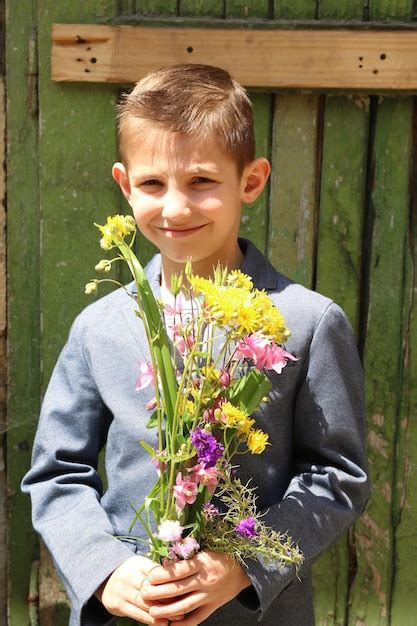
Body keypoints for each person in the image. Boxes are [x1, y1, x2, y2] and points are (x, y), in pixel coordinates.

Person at [22, 64, 371, 626]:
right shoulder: (101, 325)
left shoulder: (305, 322)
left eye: (202, 182)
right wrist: (105, 571)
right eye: (153, 184)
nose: (176, 208)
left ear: (251, 181)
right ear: (124, 183)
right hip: (128, 612)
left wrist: (242, 566)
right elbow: (57, 472)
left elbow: (338, 476)